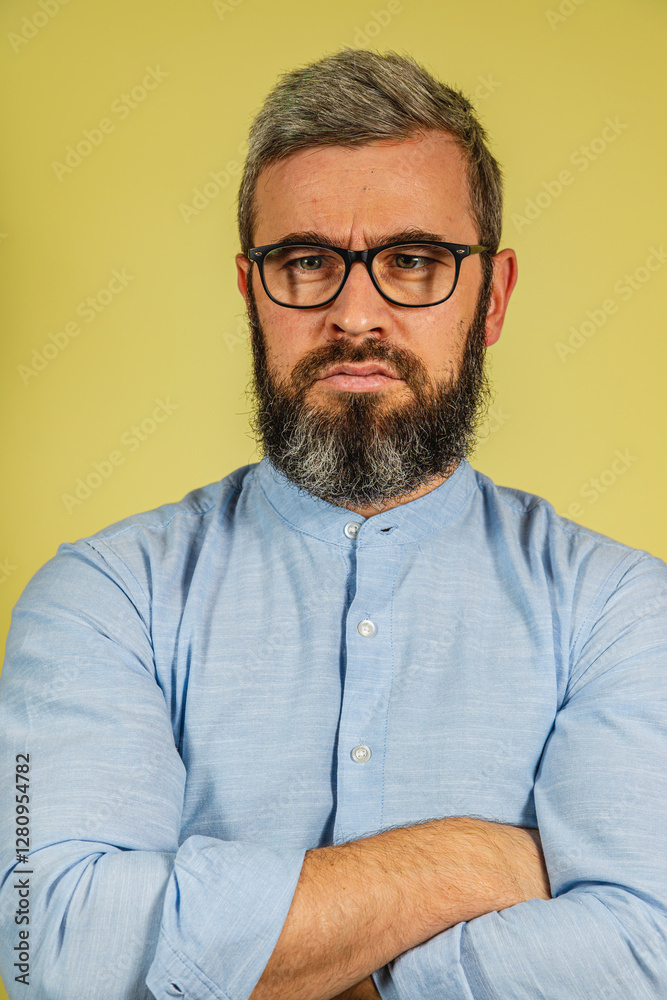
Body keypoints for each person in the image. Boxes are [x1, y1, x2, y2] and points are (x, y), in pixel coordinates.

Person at [1, 47, 666, 1000]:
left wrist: (263, 961)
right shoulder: (105, 598)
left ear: (493, 297)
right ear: (249, 293)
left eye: (413, 261)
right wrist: (472, 863)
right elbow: (46, 946)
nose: (357, 314)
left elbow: (646, 953)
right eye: (306, 262)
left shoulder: (619, 610)